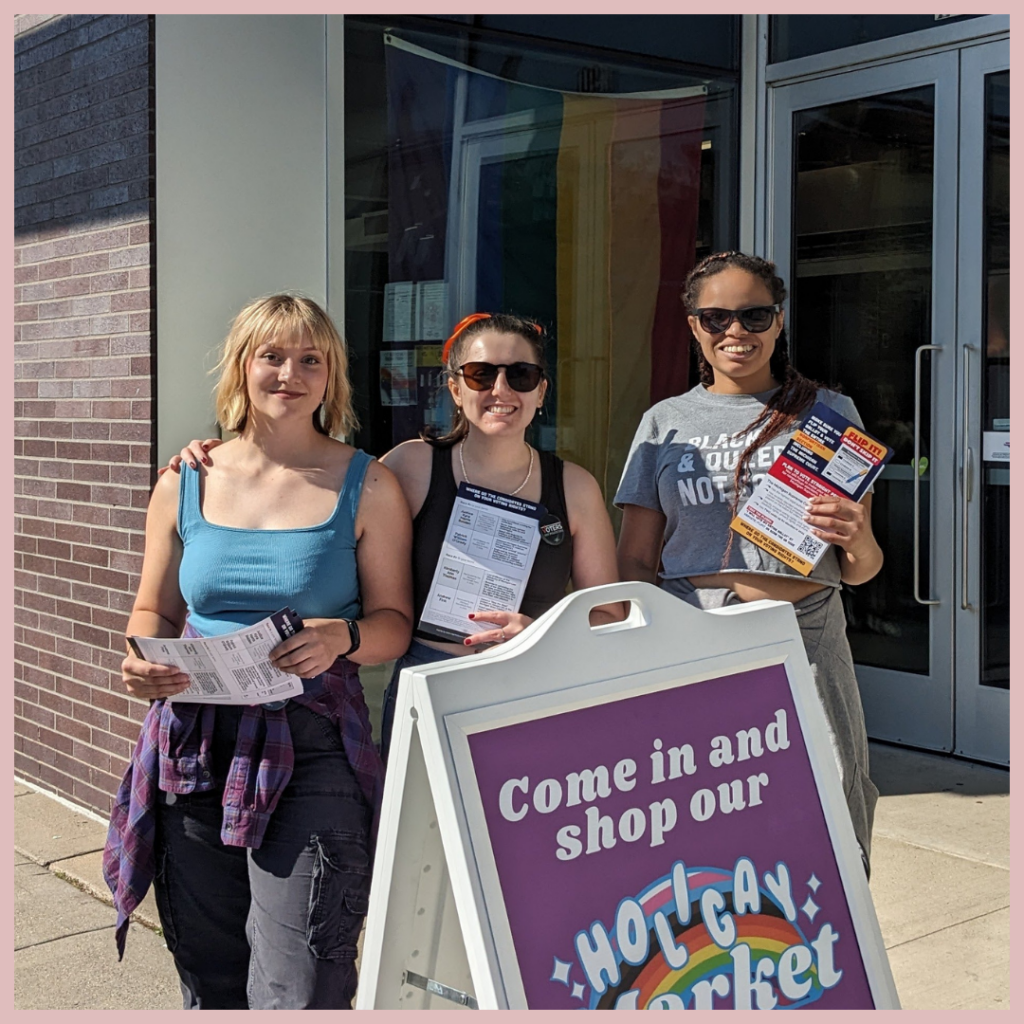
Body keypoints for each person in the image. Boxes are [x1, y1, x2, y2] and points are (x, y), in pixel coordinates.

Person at [103, 295, 413, 1009]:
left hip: (311, 742)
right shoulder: (185, 477)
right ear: (241, 367)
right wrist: (138, 656)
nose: (289, 374)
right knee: (210, 972)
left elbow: (395, 620)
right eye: (271, 355)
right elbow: (156, 606)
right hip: (194, 740)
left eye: (311, 359)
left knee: (302, 974)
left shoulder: (369, 484)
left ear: (332, 376)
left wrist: (346, 636)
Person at [170, 313, 622, 763]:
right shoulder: (411, 467)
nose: (500, 391)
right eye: (480, 374)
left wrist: (545, 633)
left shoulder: (574, 487)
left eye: (521, 375)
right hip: (429, 683)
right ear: (455, 389)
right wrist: (217, 456)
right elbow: (319, 493)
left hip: (535, 683)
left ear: (541, 390)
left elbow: (611, 614)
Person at [614, 251, 882, 872]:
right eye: (716, 317)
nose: (735, 332)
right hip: (692, 634)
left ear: (779, 321)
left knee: (829, 799)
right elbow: (635, 555)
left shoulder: (830, 412)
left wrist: (858, 536)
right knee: (702, 808)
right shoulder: (664, 422)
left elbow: (862, 568)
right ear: (692, 327)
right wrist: (637, 641)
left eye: (754, 314)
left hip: (805, 632)